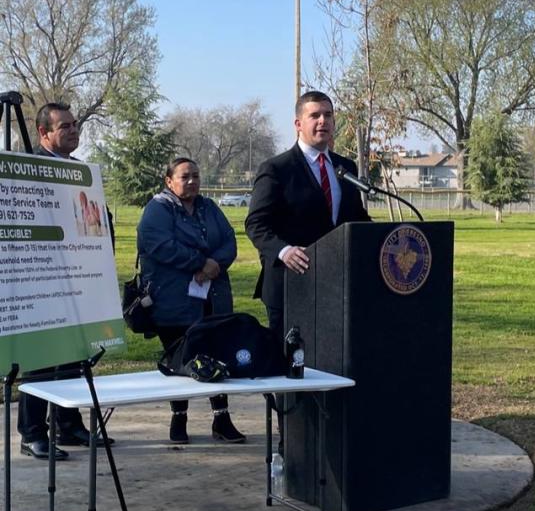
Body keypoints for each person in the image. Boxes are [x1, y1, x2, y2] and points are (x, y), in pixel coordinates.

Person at [18, 103, 114, 460]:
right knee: (41, 359)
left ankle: (69, 425)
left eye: (75, 125)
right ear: (43, 133)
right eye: (64, 127)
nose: (74, 131)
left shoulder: (81, 173)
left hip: (81, 282)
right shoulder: (28, 173)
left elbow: (100, 226)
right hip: (42, 284)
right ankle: (31, 432)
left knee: (76, 357)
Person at [137, 157, 246, 445]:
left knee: (217, 354)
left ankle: (222, 419)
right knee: (179, 360)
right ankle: (179, 419)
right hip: (173, 301)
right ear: (169, 181)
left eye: (196, 176)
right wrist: (199, 261)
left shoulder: (208, 207)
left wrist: (214, 265)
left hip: (213, 297)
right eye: (185, 176)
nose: (192, 181)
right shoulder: (158, 209)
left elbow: (229, 240)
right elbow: (160, 245)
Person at [245, 90, 371, 336]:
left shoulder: (345, 167)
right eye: (315, 115)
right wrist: (284, 250)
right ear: (298, 124)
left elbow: (355, 218)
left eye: (328, 115)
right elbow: (256, 223)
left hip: (335, 283)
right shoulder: (276, 169)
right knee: (290, 365)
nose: (323, 121)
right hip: (291, 283)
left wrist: (383, 235)